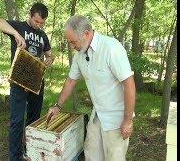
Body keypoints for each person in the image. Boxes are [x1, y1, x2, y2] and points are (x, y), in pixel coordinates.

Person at [47, 15, 136, 161]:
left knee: (114, 157)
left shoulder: (111, 48)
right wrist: (58, 106)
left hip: (116, 118)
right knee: (91, 153)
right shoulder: (79, 54)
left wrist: (127, 120)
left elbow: (129, 84)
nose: (71, 46)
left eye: (73, 42)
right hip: (97, 114)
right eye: (69, 42)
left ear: (86, 34)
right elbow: (71, 81)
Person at [0, 2, 54, 161]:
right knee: (17, 121)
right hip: (19, 82)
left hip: (36, 83)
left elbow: (49, 54)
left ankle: (30, 151)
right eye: (36, 21)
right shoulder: (18, 27)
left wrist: (49, 59)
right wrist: (16, 34)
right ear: (30, 15)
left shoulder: (43, 35)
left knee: (34, 120)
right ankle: (15, 157)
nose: (39, 25)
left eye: (42, 22)